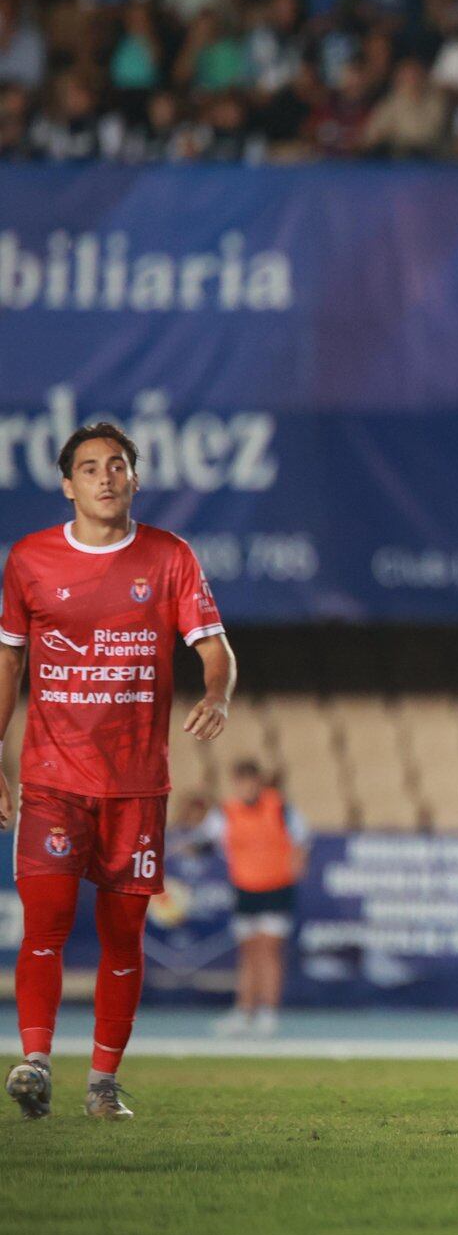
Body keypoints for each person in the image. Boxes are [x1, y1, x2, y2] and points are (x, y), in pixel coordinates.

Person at [2, 422, 235, 1121]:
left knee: (124, 936)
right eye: (90, 467)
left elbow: (215, 648)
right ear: (67, 484)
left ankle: (103, 1084)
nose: (105, 477)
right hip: (52, 779)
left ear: (135, 477)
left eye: (118, 465)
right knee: (44, 923)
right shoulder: (30, 560)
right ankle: (35, 1063)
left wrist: (217, 693)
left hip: (137, 786)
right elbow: (9, 662)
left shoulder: (170, 557)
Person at [195, 761, 309, 1038]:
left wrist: (296, 866)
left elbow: (302, 841)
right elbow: (204, 841)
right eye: (241, 781)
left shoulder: (281, 807)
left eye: (251, 781)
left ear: (259, 781)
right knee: (248, 953)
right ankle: (244, 1012)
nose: (247, 787)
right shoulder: (225, 812)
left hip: (276, 888)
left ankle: (268, 1014)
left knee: (269, 951)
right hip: (245, 889)